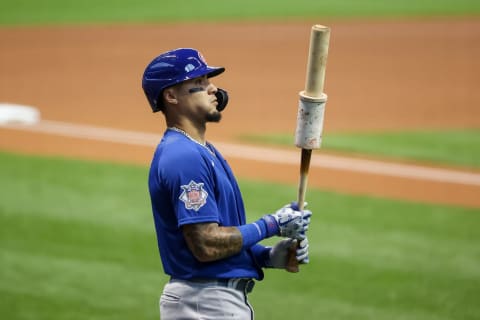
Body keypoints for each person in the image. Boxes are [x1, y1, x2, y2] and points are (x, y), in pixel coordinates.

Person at [141, 48, 312, 320]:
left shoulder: (203, 150)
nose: (213, 89)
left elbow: (220, 237)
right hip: (205, 304)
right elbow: (206, 245)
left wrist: (267, 256)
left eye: (209, 81)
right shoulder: (184, 156)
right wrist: (272, 225)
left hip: (212, 302)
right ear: (171, 96)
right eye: (199, 84)